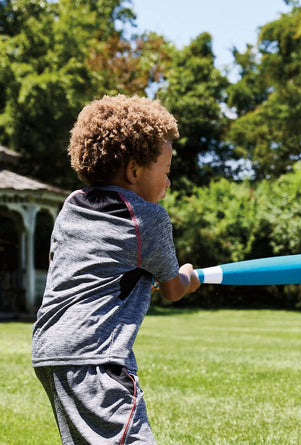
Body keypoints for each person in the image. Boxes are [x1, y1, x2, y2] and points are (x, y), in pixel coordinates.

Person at [31, 94, 201, 444]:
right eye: (166, 172)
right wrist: (188, 276)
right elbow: (173, 289)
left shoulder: (72, 205)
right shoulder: (147, 217)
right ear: (134, 170)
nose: (168, 183)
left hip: (50, 351)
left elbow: (65, 265)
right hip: (96, 355)